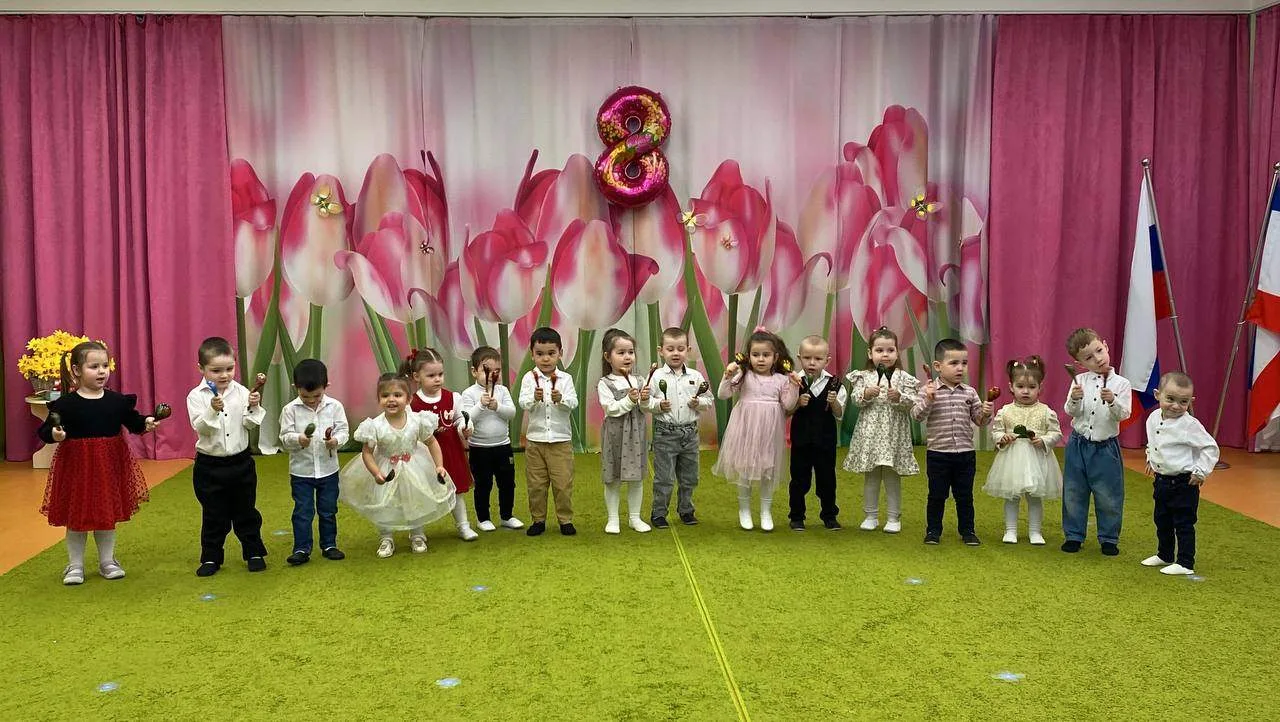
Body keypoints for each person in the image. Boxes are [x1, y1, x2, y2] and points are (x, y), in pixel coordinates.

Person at [36, 340, 158, 585]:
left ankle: (107, 561)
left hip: (108, 466)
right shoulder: (66, 404)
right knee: (76, 517)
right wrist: (56, 435)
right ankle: (75, 565)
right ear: (77, 370)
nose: (102, 371)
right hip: (76, 467)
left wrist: (146, 423)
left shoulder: (117, 401)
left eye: (105, 365)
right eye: (94, 366)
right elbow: (46, 431)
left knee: (106, 514)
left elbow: (134, 422)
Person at [338, 373, 455, 557]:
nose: (391, 400)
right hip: (386, 469)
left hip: (414, 465)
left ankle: (417, 534)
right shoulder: (375, 426)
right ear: (378, 399)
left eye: (397, 395)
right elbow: (367, 453)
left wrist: (439, 465)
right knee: (384, 503)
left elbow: (431, 442)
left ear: (408, 399)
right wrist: (376, 473)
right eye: (385, 395)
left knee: (415, 499)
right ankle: (386, 537)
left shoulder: (418, 420)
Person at [185, 336, 267, 577]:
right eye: (216, 370)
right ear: (201, 368)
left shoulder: (241, 392)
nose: (224, 375)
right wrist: (212, 409)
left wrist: (253, 405)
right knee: (214, 514)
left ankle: (253, 552)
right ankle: (211, 557)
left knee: (246, 510)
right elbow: (201, 428)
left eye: (229, 369)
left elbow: (249, 424)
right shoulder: (196, 396)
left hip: (241, 463)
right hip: (209, 465)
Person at [712, 327, 800, 532]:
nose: (761, 359)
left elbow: (788, 404)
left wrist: (794, 385)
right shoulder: (744, 375)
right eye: (755, 354)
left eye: (766, 355)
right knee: (745, 468)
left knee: (768, 470)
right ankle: (744, 510)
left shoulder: (781, 380)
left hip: (769, 432)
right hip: (745, 429)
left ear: (775, 357)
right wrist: (727, 375)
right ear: (748, 356)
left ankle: (765, 511)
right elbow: (723, 394)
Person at [912, 338, 993, 546]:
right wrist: (929, 399)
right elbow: (917, 416)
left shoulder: (970, 392)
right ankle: (933, 531)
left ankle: (968, 531)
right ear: (938, 366)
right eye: (954, 363)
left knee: (964, 495)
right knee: (937, 495)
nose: (960, 368)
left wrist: (986, 413)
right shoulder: (928, 390)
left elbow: (979, 421)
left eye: (964, 363)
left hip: (965, 454)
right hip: (938, 454)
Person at [1061, 328, 1132, 556]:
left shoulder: (1122, 384)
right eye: (1089, 358)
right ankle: (1073, 535)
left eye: (1099, 351)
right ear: (1080, 363)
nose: (1097, 359)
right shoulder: (1079, 381)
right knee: (1073, 491)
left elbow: (1124, 414)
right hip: (1078, 444)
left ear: (1106, 345)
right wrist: (1074, 399)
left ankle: (1109, 538)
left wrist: (1112, 402)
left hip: (1105, 448)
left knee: (1109, 495)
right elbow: (1071, 412)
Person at [1141, 371, 1219, 576]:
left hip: (1184, 484)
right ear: (1157, 395)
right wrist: (1151, 458)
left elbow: (1210, 448)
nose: (1176, 406)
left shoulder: (1189, 425)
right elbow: (1153, 441)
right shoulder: (1152, 418)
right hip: (1161, 481)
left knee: (1183, 523)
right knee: (1162, 520)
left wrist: (1200, 471)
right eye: (1170, 399)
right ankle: (1165, 554)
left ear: (1191, 401)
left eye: (1183, 402)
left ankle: (1185, 562)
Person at [842, 326, 919, 534]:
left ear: (897, 352)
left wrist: (900, 397)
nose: (885, 355)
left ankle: (894, 517)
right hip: (870, 434)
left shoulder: (904, 377)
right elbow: (856, 400)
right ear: (870, 353)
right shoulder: (863, 376)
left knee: (892, 477)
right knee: (872, 476)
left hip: (894, 434)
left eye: (890, 350)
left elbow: (913, 402)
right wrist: (866, 394)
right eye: (879, 350)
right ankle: (871, 515)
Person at [982, 356, 1062, 545]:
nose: (1026, 391)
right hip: (1012, 459)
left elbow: (1056, 433)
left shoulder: (1046, 411)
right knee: (1012, 496)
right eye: (1020, 386)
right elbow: (996, 431)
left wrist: (1043, 440)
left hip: (1037, 459)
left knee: (1035, 497)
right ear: (1011, 387)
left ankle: (1035, 532)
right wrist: (1002, 438)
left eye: (1032, 387)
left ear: (1040, 387)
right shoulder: (1005, 411)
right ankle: (1010, 530)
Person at [278, 359, 349, 565]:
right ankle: (301, 549)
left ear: (326, 386)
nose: (311, 400)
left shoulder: (335, 407)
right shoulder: (290, 410)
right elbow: (284, 437)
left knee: (328, 509)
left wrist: (335, 441)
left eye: (316, 396)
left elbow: (344, 431)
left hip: (328, 470)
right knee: (303, 511)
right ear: (296, 388)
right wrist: (298, 439)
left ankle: (329, 545)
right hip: (301, 472)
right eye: (305, 396)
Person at [406, 347, 477, 542]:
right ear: (417, 377)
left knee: (456, 491)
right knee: (419, 493)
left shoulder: (453, 397)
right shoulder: (412, 403)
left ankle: (463, 526)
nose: (437, 379)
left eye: (440, 374)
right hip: (424, 456)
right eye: (431, 375)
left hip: (450, 452)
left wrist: (465, 427)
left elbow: (460, 418)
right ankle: (417, 532)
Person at [646, 327, 713, 528]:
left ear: (688, 350)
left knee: (690, 476)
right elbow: (644, 402)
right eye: (670, 349)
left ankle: (686, 510)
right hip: (665, 433)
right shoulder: (656, 376)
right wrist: (658, 405)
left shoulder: (695, 376)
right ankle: (659, 513)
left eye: (680, 349)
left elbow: (708, 400)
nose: (676, 353)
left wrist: (698, 403)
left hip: (690, 433)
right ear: (661, 351)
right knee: (664, 477)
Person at [518, 327, 578, 537]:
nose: (545, 359)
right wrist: (534, 398)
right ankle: (538, 520)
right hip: (535, 441)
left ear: (560, 353)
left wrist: (561, 399)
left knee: (563, 484)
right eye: (540, 354)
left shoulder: (566, 379)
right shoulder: (529, 378)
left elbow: (574, 402)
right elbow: (523, 403)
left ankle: (565, 520)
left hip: (561, 441)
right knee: (536, 485)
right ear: (532, 354)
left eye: (551, 353)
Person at [787, 335, 847, 531]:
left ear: (827, 361)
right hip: (801, 440)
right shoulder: (793, 382)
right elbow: (786, 411)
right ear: (799, 358)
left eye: (818, 359)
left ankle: (829, 515)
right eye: (807, 358)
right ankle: (797, 516)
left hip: (825, 441)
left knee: (827, 479)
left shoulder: (835, 384)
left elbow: (839, 414)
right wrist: (798, 403)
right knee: (799, 479)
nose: (812, 363)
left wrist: (833, 402)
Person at [459, 346, 522, 531]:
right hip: (479, 448)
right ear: (474, 371)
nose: (491, 375)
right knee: (483, 484)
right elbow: (466, 418)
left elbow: (512, 413)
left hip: (503, 446)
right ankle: (483, 518)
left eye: (496, 371)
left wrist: (497, 407)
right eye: (486, 370)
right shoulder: (469, 393)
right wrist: (480, 405)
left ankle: (506, 516)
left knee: (507, 483)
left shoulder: (502, 391)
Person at [597, 329, 653, 534]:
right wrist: (630, 399)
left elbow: (646, 408)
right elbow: (611, 409)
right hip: (614, 435)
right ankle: (613, 519)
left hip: (636, 434)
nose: (627, 357)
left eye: (630, 352)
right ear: (607, 356)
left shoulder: (640, 380)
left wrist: (645, 399)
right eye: (621, 353)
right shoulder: (605, 383)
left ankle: (634, 517)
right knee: (613, 478)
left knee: (636, 478)